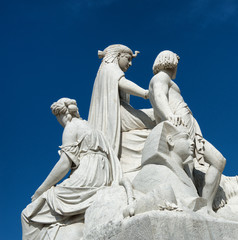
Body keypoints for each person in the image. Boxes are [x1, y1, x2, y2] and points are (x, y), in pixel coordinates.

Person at [21, 98, 132, 240]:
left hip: (86, 178)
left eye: (57, 118)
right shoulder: (91, 128)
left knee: (28, 214)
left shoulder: (71, 127)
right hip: (102, 176)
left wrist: (40, 190)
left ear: (61, 115)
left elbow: (64, 164)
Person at [148, 50, 226, 213]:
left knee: (218, 161)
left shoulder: (167, 79)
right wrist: (169, 115)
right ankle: (197, 207)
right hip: (179, 128)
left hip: (190, 129)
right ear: (171, 61)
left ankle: (206, 207)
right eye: (177, 62)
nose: (177, 66)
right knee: (187, 168)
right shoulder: (161, 77)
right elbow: (159, 95)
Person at [88, 44, 155, 161]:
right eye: (128, 59)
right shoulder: (110, 68)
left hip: (122, 112)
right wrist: (145, 93)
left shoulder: (105, 71)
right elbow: (122, 83)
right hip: (118, 115)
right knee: (156, 116)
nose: (130, 64)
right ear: (118, 56)